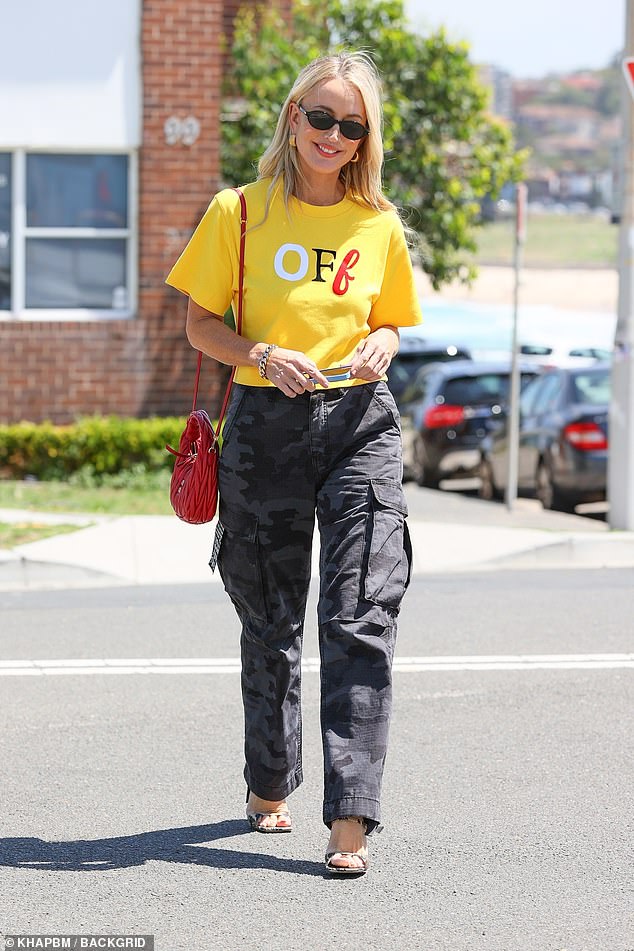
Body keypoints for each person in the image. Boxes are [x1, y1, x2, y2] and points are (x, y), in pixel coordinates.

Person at [166, 50, 422, 875]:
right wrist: (264, 352)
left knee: (360, 614)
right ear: (292, 117)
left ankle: (351, 818)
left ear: (364, 138)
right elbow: (202, 326)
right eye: (322, 117)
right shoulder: (237, 212)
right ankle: (269, 779)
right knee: (270, 622)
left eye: (353, 125)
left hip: (359, 424)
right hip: (266, 425)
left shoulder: (378, 223)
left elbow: (390, 322)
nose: (334, 136)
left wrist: (384, 337)